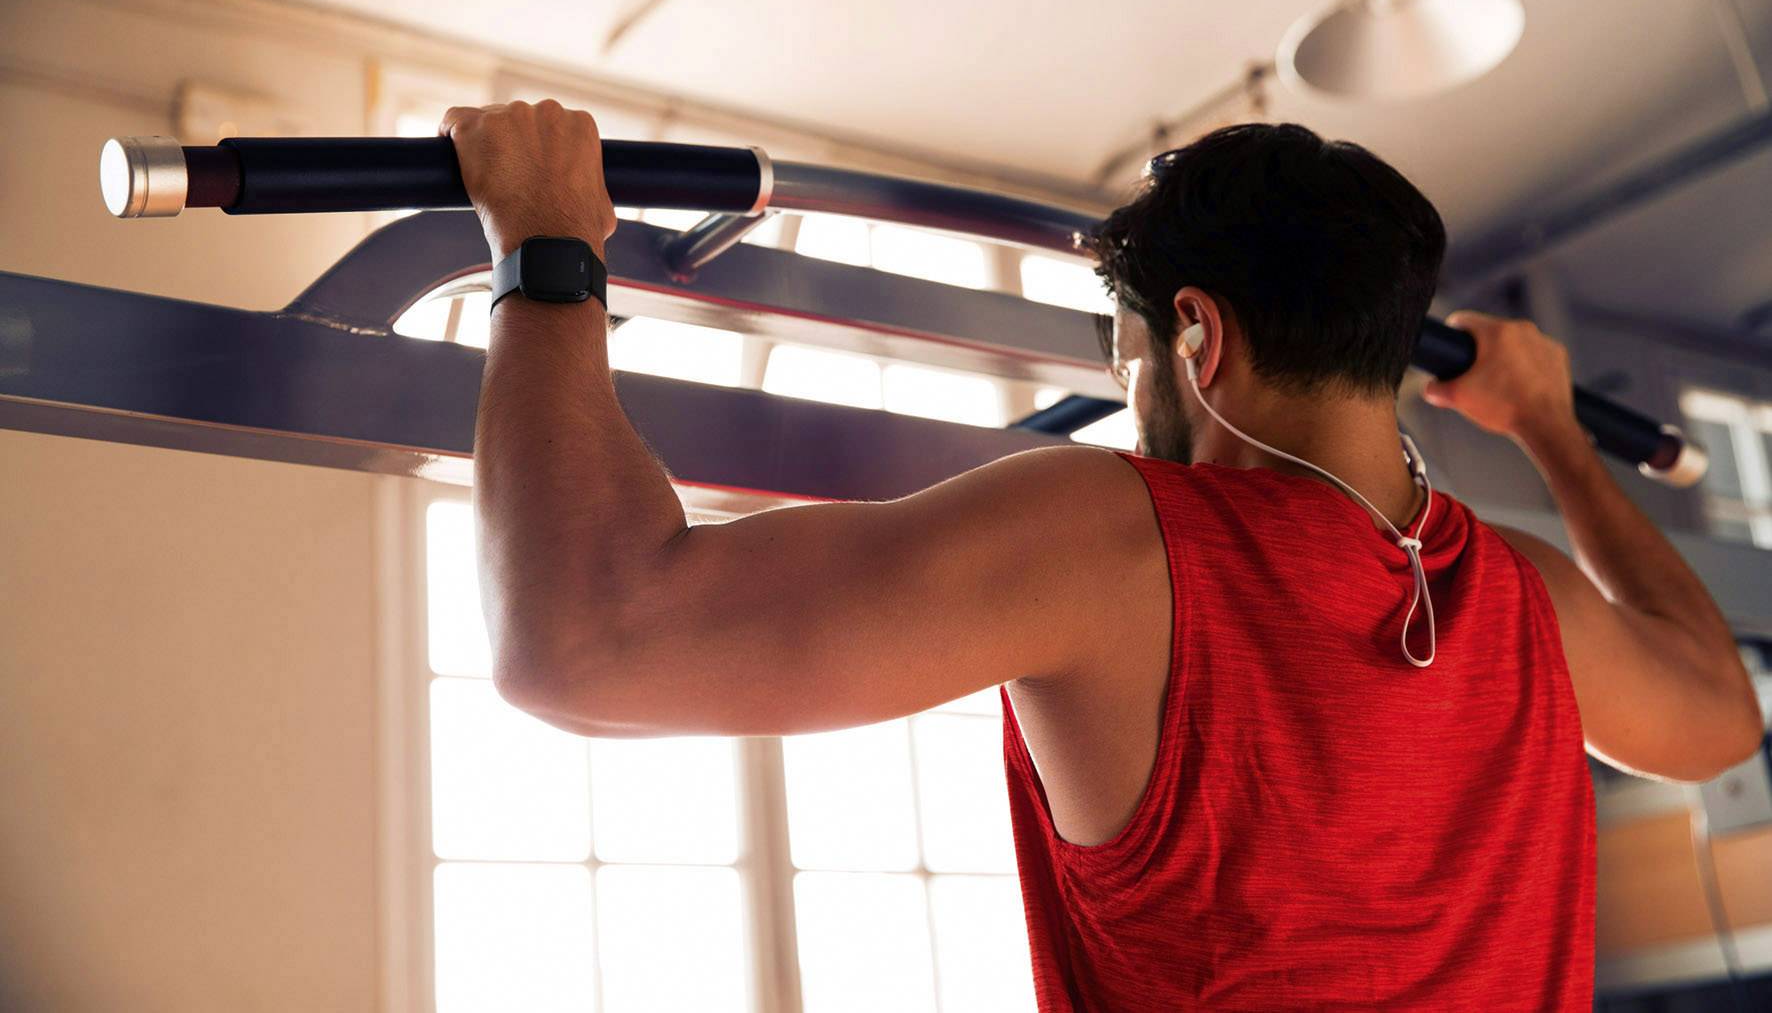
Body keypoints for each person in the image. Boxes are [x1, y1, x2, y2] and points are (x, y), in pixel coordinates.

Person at [442, 101, 1762, 1010]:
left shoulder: (1117, 536)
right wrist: (1553, 431)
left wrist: (546, 248)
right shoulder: (1526, 595)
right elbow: (1721, 715)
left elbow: (583, 641)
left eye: (1129, 359)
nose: (1132, 403)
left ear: (1198, 338)